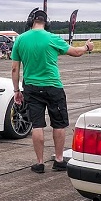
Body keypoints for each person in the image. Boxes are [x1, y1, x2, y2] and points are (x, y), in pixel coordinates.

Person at [11, 9, 94, 173]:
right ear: (46, 23)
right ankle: (58, 159)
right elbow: (76, 53)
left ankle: (40, 163)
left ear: (30, 22)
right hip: (53, 87)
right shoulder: (52, 38)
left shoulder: (20, 40)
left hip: (31, 88)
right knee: (59, 124)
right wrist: (87, 46)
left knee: (37, 125)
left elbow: (15, 69)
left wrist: (16, 90)